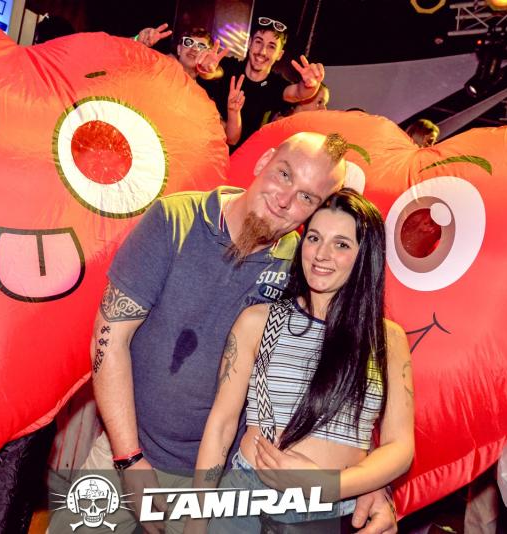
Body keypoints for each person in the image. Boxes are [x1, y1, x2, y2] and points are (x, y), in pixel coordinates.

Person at [54, 132, 397, 534]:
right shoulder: (175, 220)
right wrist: (129, 460)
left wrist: (369, 482)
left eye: (306, 197)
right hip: (124, 452)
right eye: (284, 174)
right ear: (264, 161)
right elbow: (109, 341)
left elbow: (340, 375)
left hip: (219, 482)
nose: (285, 200)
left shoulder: (304, 264)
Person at [187, 189, 414, 533]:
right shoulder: (257, 321)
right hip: (247, 502)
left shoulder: (388, 339)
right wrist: (196, 519)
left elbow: (400, 446)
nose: (321, 254)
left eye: (341, 244)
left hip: (336, 511)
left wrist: (330, 485)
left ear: (365, 255)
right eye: (314, 238)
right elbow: (221, 425)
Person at [202, 17, 326, 148]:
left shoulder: (275, 85)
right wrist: (207, 68)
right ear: (250, 43)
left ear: (279, 54)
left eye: (271, 46)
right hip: (208, 146)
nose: (262, 51)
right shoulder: (230, 67)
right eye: (258, 42)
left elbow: (298, 93)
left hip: (247, 156)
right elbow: (213, 72)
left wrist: (311, 84)